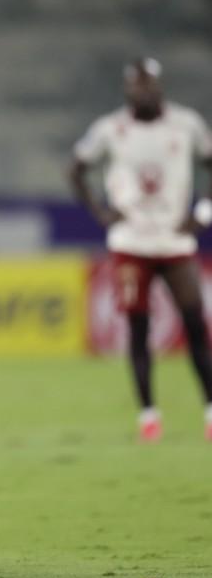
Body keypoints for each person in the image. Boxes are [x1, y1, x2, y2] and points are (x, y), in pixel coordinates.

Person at [71, 57, 212, 442]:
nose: (143, 91)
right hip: (130, 242)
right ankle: (149, 415)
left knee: (196, 323)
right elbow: (77, 168)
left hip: (174, 239)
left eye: (149, 84)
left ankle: (209, 409)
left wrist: (203, 213)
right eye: (137, 85)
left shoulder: (186, 125)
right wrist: (100, 212)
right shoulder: (110, 129)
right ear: (127, 88)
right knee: (138, 328)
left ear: (159, 86)